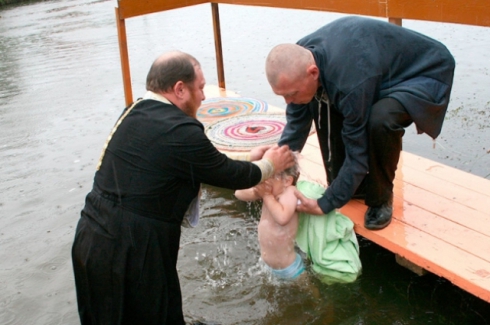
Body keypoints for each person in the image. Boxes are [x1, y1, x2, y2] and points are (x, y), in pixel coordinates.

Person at [71, 51, 295, 325]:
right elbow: (232, 176)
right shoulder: (181, 129)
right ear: (179, 89)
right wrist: (270, 164)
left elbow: (197, 163)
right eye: (200, 88)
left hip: (90, 238)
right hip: (134, 249)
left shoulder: (134, 111)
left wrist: (249, 158)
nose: (203, 96)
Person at [265, 16, 455, 230]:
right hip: (371, 67)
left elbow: (357, 152)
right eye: (282, 96)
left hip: (421, 71)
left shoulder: (349, 81)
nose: (287, 102)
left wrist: (324, 203)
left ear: (313, 72)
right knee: (318, 99)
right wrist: (279, 171)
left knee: (380, 119)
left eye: (290, 94)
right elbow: (296, 124)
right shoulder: (299, 62)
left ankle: (380, 198)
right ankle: (356, 187)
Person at [234, 161, 305, 280]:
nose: (263, 181)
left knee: (309, 292)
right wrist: (255, 191)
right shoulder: (269, 193)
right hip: (267, 267)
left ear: (287, 181)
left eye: (269, 177)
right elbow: (238, 194)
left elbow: (282, 218)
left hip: (289, 268)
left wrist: (266, 196)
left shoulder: (289, 192)